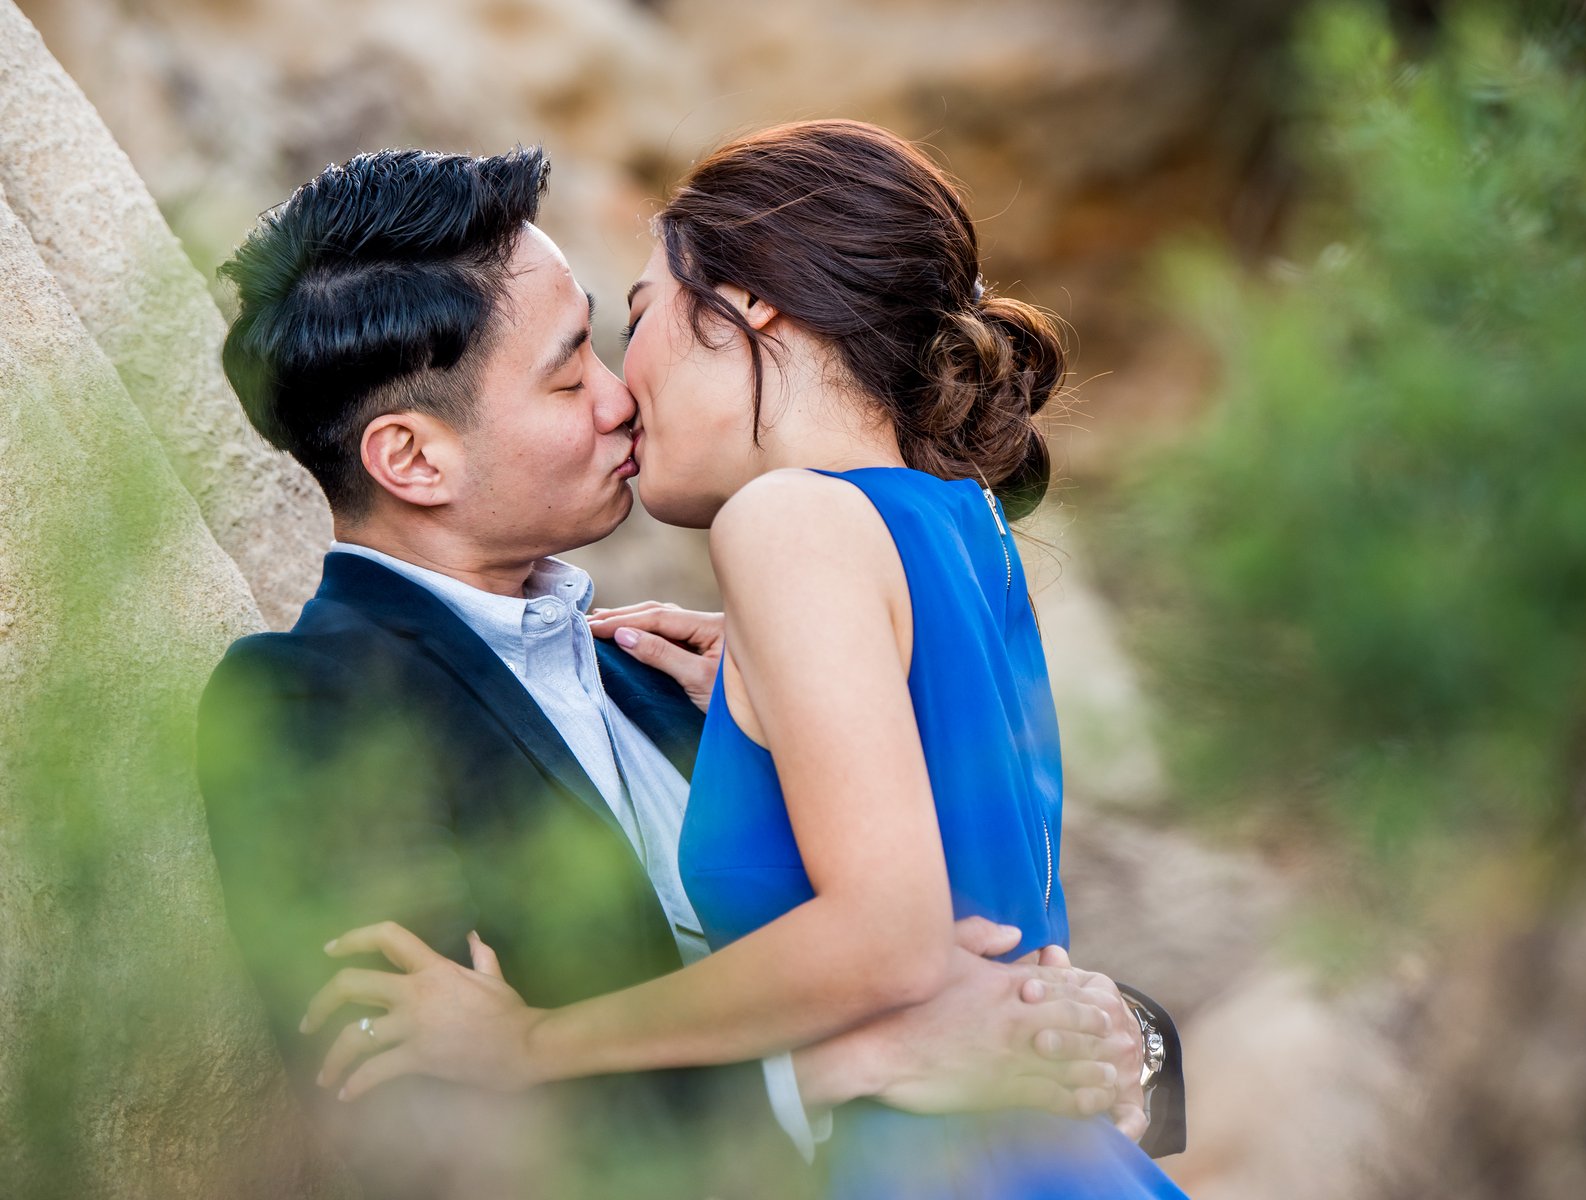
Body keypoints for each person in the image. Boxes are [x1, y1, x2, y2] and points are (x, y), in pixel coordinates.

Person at [199, 143, 1184, 1200]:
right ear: (414, 459)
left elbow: (940, 948)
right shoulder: (309, 705)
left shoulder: (678, 668)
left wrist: (1114, 1042)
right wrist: (839, 1073)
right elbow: (413, 1128)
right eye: (570, 374)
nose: (620, 399)